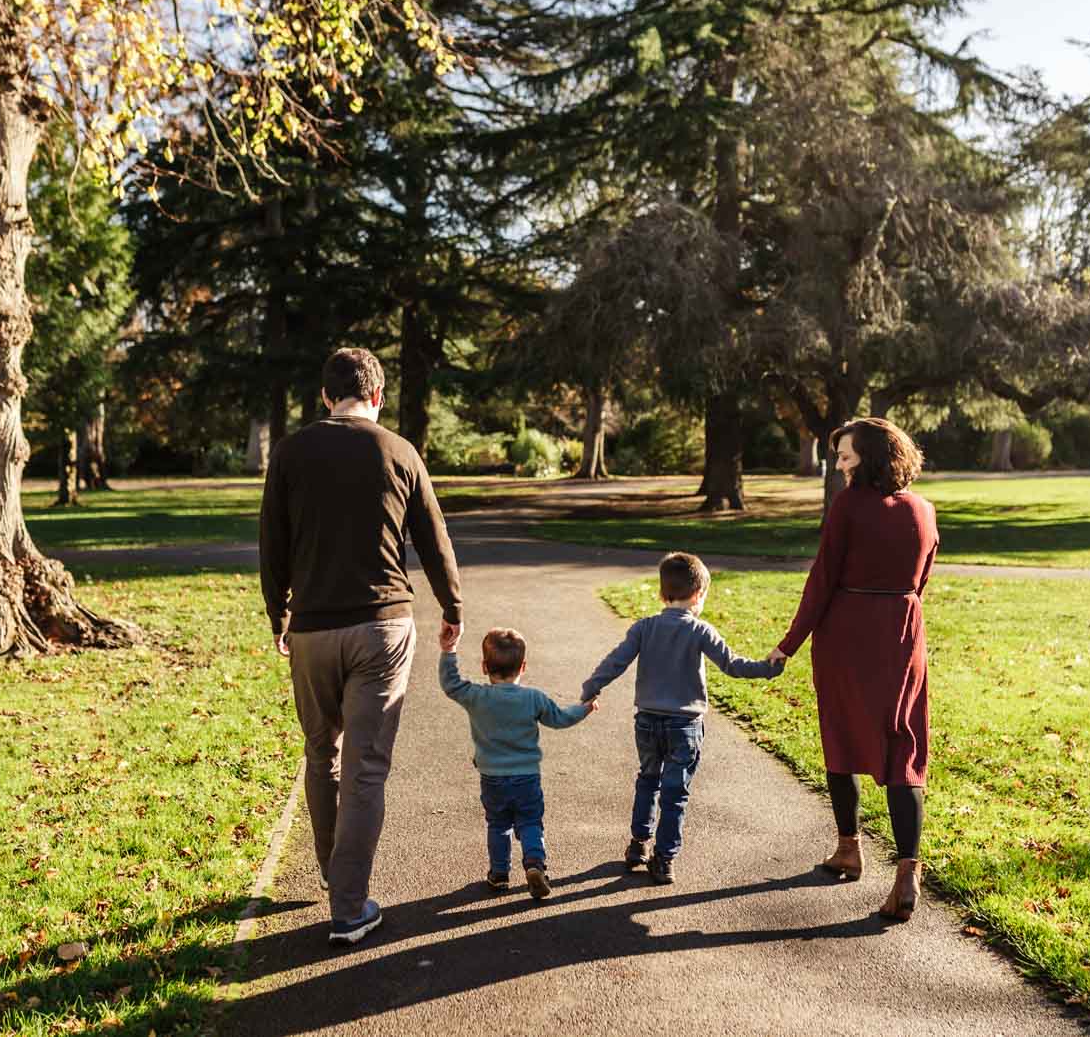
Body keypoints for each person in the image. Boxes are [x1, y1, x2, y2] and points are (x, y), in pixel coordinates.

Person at [259, 347, 463, 947]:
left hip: (313, 630)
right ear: (378, 396)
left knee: (321, 752)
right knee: (366, 768)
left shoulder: (292, 452)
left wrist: (279, 614)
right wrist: (453, 608)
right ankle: (348, 907)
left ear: (326, 397)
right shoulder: (399, 451)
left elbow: (272, 539)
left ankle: (335, 878)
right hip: (382, 629)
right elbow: (434, 538)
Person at [768, 417, 939, 922]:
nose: (839, 465)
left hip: (846, 632)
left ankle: (850, 848)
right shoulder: (924, 510)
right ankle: (907, 873)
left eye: (845, 456)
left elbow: (822, 580)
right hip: (904, 632)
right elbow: (922, 576)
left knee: (841, 736)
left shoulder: (847, 507)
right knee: (902, 744)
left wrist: (787, 645)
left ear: (871, 456)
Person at [580, 552, 783, 885]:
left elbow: (616, 661)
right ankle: (664, 858)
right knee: (675, 793)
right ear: (699, 595)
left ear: (662, 594)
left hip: (646, 721)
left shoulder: (644, 628)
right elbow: (732, 665)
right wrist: (767, 669)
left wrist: (592, 686)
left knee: (647, 780)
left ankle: (638, 844)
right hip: (684, 726)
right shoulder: (701, 631)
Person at [439, 627, 598, 899]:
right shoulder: (533, 698)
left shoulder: (476, 696)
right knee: (530, 822)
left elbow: (451, 684)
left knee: (498, 824)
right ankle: (535, 863)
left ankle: (499, 874)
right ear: (523, 666)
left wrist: (448, 650)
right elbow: (560, 718)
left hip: (492, 777)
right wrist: (584, 709)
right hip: (527, 777)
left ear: (484, 666)